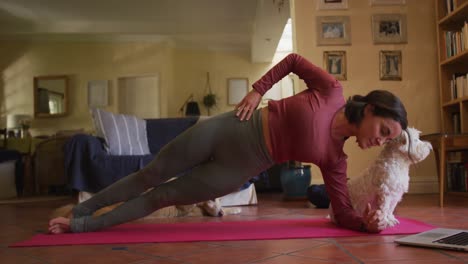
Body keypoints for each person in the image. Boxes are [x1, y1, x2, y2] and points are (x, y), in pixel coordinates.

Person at [49, 53, 407, 234]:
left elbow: (341, 213)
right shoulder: (331, 90)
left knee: (163, 196)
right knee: (151, 174)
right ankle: (81, 209)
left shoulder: (335, 161)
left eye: (386, 139)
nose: (379, 141)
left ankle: (79, 226)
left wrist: (367, 223)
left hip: (239, 169)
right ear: (372, 108)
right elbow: (294, 61)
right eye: (385, 131)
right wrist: (257, 90)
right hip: (230, 127)